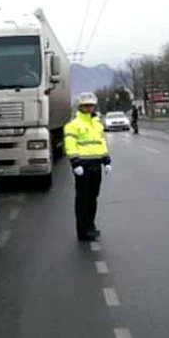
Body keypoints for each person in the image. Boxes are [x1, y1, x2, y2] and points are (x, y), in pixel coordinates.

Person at [63, 92, 112, 241]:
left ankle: (91, 226)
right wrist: (75, 163)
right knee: (83, 200)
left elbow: (101, 142)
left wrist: (106, 159)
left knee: (93, 199)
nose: (89, 108)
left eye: (91, 105)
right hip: (83, 167)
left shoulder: (97, 124)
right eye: (86, 105)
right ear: (80, 107)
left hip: (96, 165)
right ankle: (83, 231)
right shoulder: (73, 125)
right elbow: (70, 145)